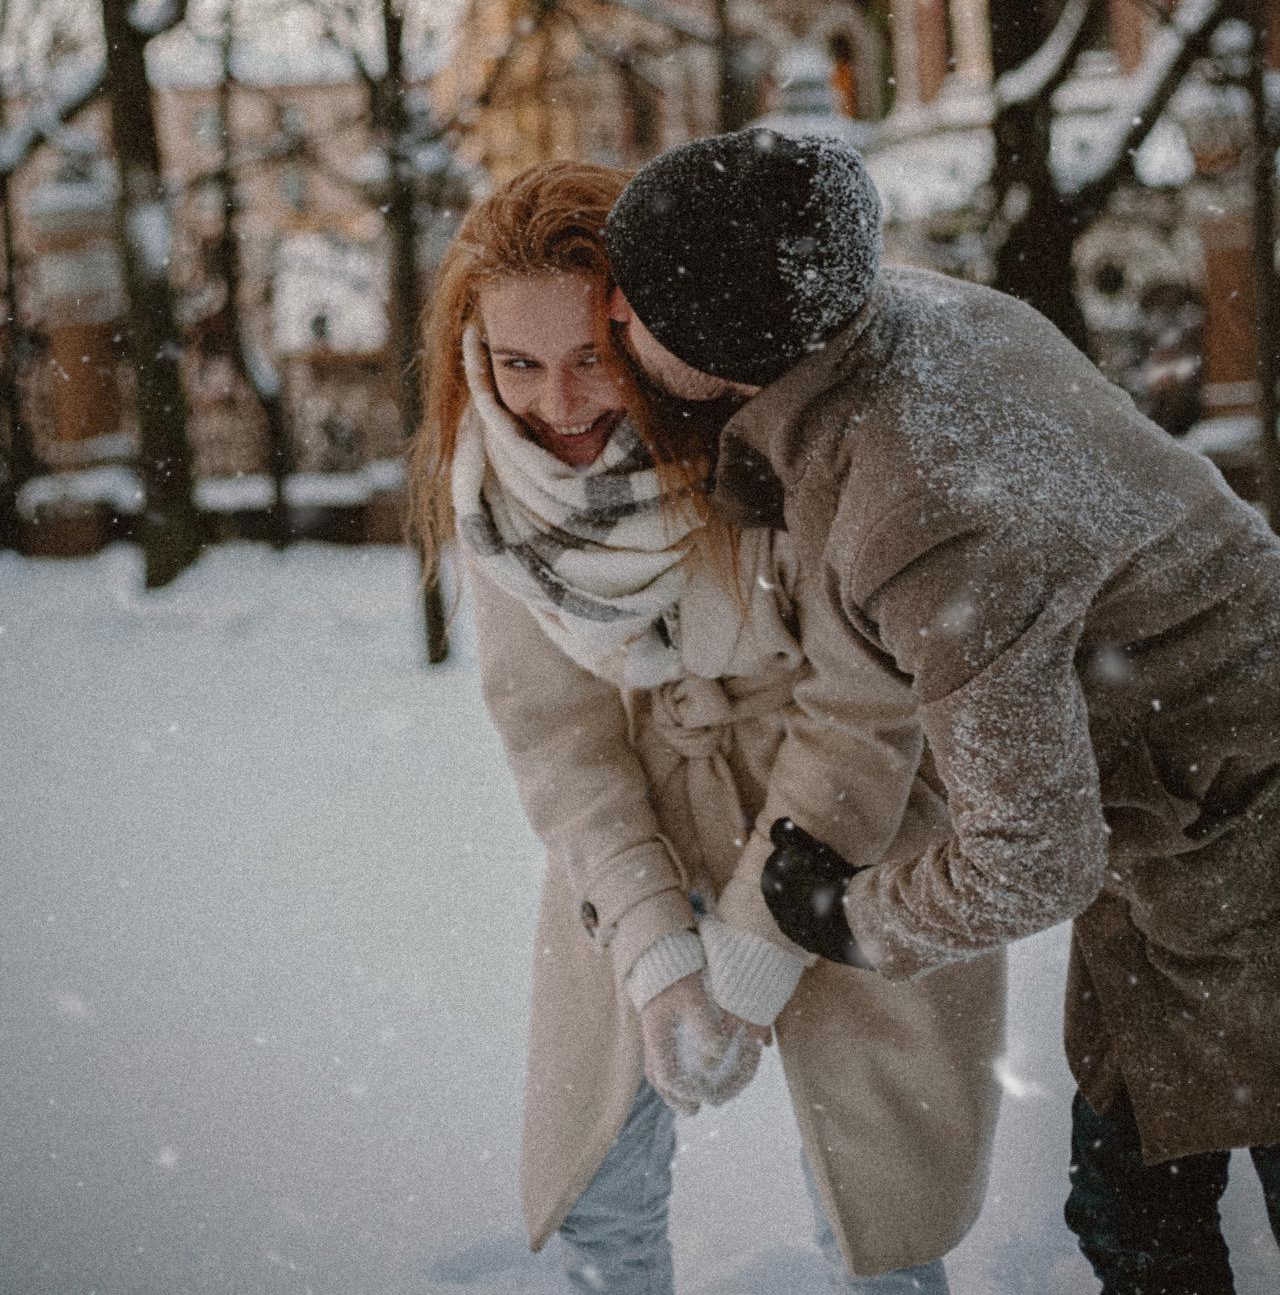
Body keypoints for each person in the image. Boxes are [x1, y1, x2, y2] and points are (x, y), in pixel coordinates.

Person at [602, 128, 1280, 1295]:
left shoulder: (919, 504)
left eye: (636, 305)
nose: (610, 317)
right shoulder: (916, 318)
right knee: (1132, 1204)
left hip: (1232, 832)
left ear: (719, 346)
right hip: (1189, 809)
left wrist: (848, 918)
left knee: (1142, 1213)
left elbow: (1031, 861)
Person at [411, 161, 1005, 1295]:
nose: (559, 406)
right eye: (516, 363)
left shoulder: (782, 432)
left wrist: (750, 948)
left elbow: (860, 702)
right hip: (649, 812)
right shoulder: (498, 495)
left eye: (590, 356)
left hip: (850, 815)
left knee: (883, 1204)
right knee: (599, 1184)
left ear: (647, 329)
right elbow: (559, 743)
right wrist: (654, 950)